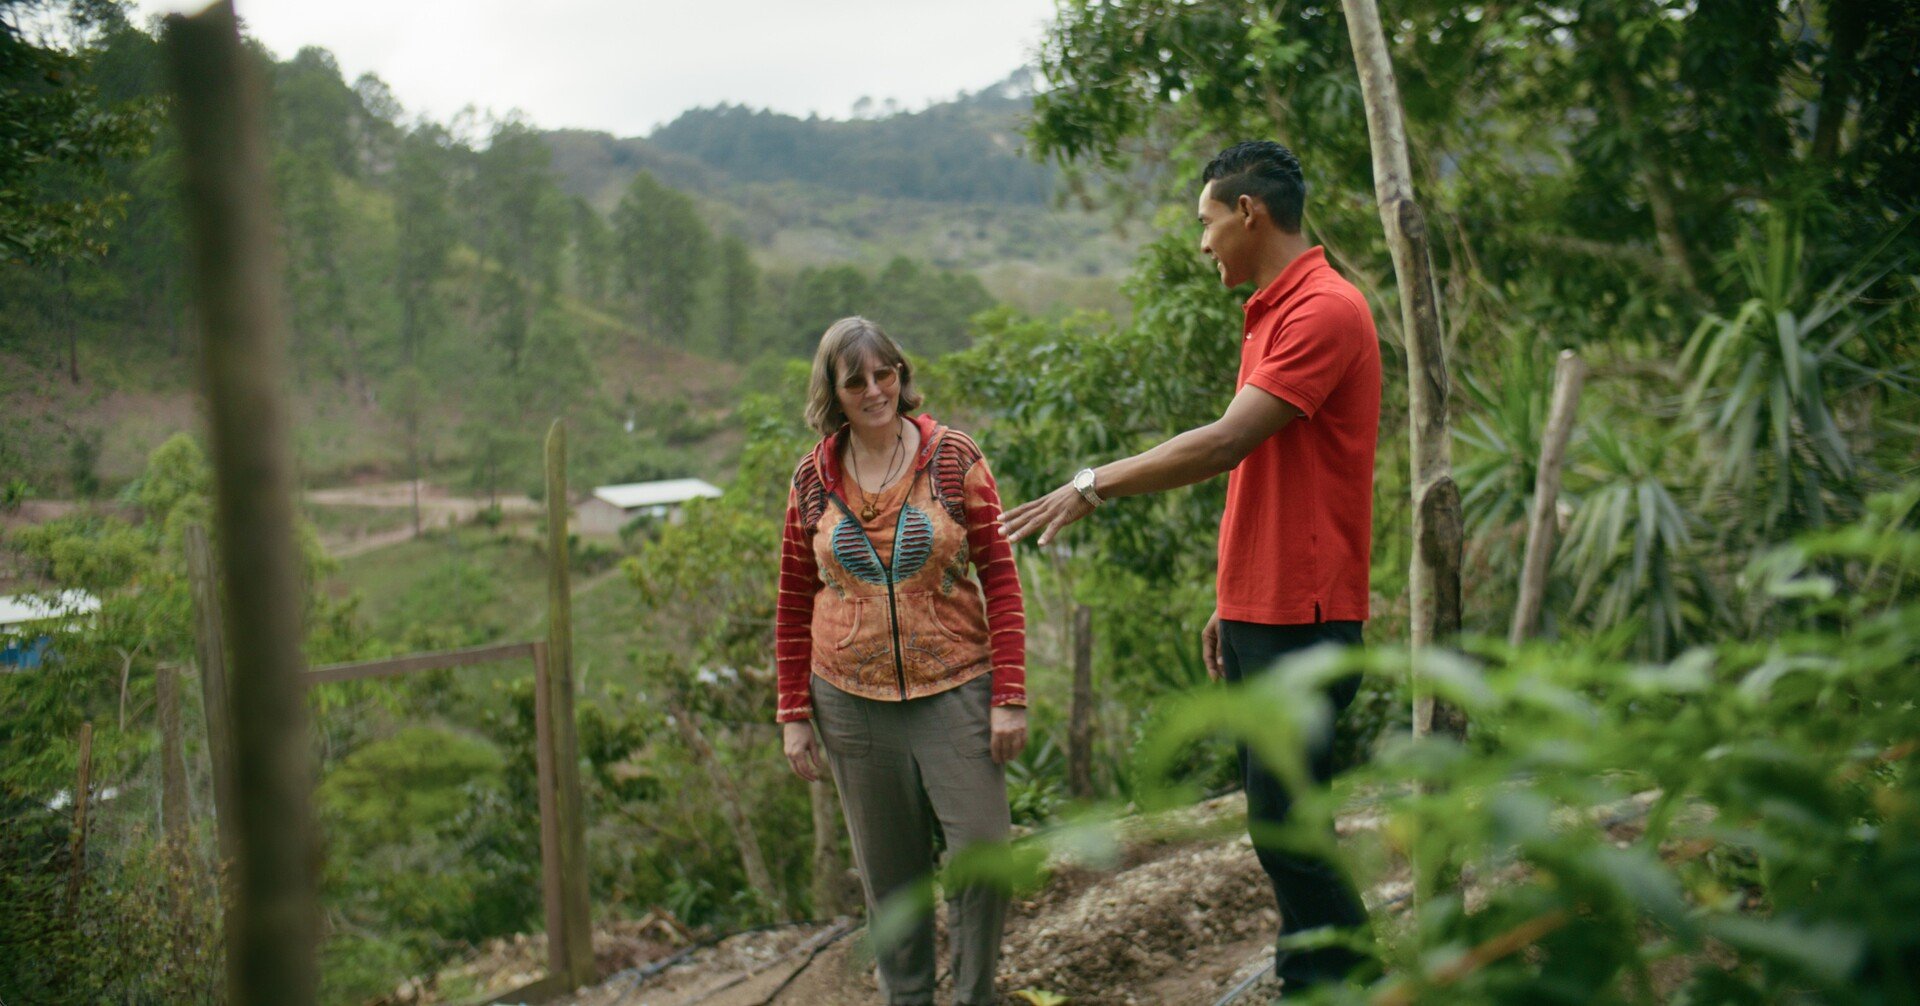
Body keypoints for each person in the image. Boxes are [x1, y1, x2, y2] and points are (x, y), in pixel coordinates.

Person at [998, 140, 1380, 989]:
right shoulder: (1274, 311)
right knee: (1279, 824)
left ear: (1248, 212)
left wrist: (1092, 484)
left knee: (1290, 829)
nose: (1201, 243)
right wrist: (1231, 595)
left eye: (1206, 222)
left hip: (1305, 620)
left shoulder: (1324, 309)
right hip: (1262, 610)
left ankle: (1359, 986)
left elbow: (1225, 443)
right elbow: (1267, 473)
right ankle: (1311, 976)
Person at [775, 316, 1028, 1006]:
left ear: (901, 375)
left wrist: (1010, 693)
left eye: (883, 373)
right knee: (893, 883)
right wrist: (794, 714)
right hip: (851, 706)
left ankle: (976, 994)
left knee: (983, 851)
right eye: (855, 380)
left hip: (957, 690)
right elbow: (794, 602)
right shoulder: (812, 479)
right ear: (834, 391)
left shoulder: (953, 458)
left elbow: (1001, 577)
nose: (874, 389)